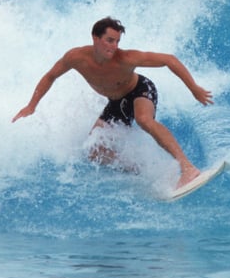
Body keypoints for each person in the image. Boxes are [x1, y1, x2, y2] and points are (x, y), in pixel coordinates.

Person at [12, 16, 213, 188]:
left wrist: (194, 88)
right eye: (109, 40)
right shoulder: (76, 57)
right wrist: (32, 106)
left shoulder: (125, 58)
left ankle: (188, 168)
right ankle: (142, 171)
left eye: (117, 41)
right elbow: (50, 76)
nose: (114, 46)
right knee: (93, 151)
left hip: (140, 90)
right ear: (95, 38)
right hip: (117, 103)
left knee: (144, 120)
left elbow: (169, 60)